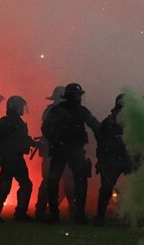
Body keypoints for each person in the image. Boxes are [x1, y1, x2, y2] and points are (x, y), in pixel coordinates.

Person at [41, 83, 100, 224]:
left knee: (76, 181)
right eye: (77, 96)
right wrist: (56, 141)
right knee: (55, 181)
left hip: (73, 150)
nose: (79, 98)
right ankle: (56, 213)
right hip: (64, 150)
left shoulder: (74, 110)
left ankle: (76, 213)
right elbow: (46, 128)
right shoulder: (59, 111)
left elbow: (96, 126)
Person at [0, 96, 37, 222]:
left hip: (16, 158)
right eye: (20, 106)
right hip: (10, 159)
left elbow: (21, 139)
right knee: (8, 186)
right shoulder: (5, 122)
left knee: (19, 185)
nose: (22, 109)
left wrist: (33, 143)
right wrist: (4, 151)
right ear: (14, 107)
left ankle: (0, 213)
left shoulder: (14, 122)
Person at [34, 86, 73, 221]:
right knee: (53, 181)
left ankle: (43, 210)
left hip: (58, 151)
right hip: (52, 152)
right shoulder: (53, 111)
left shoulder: (53, 111)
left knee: (62, 181)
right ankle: (44, 210)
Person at [94, 94, 132, 225]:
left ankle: (132, 216)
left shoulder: (134, 122)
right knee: (106, 188)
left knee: (134, 188)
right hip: (112, 159)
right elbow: (101, 144)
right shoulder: (108, 122)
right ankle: (100, 217)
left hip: (128, 158)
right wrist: (100, 161)